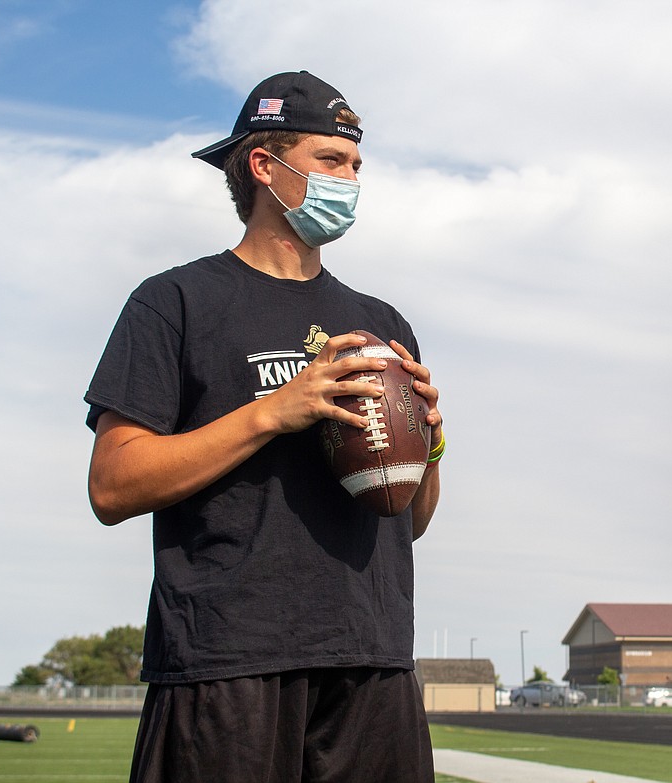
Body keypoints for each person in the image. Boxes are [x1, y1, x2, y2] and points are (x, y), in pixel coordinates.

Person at [84, 71, 443, 783]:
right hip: (228, 661)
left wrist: (428, 441)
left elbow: (412, 516)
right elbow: (112, 484)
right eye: (332, 161)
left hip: (369, 659)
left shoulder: (385, 323)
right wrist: (273, 412)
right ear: (263, 165)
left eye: (357, 166)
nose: (352, 180)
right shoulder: (175, 302)